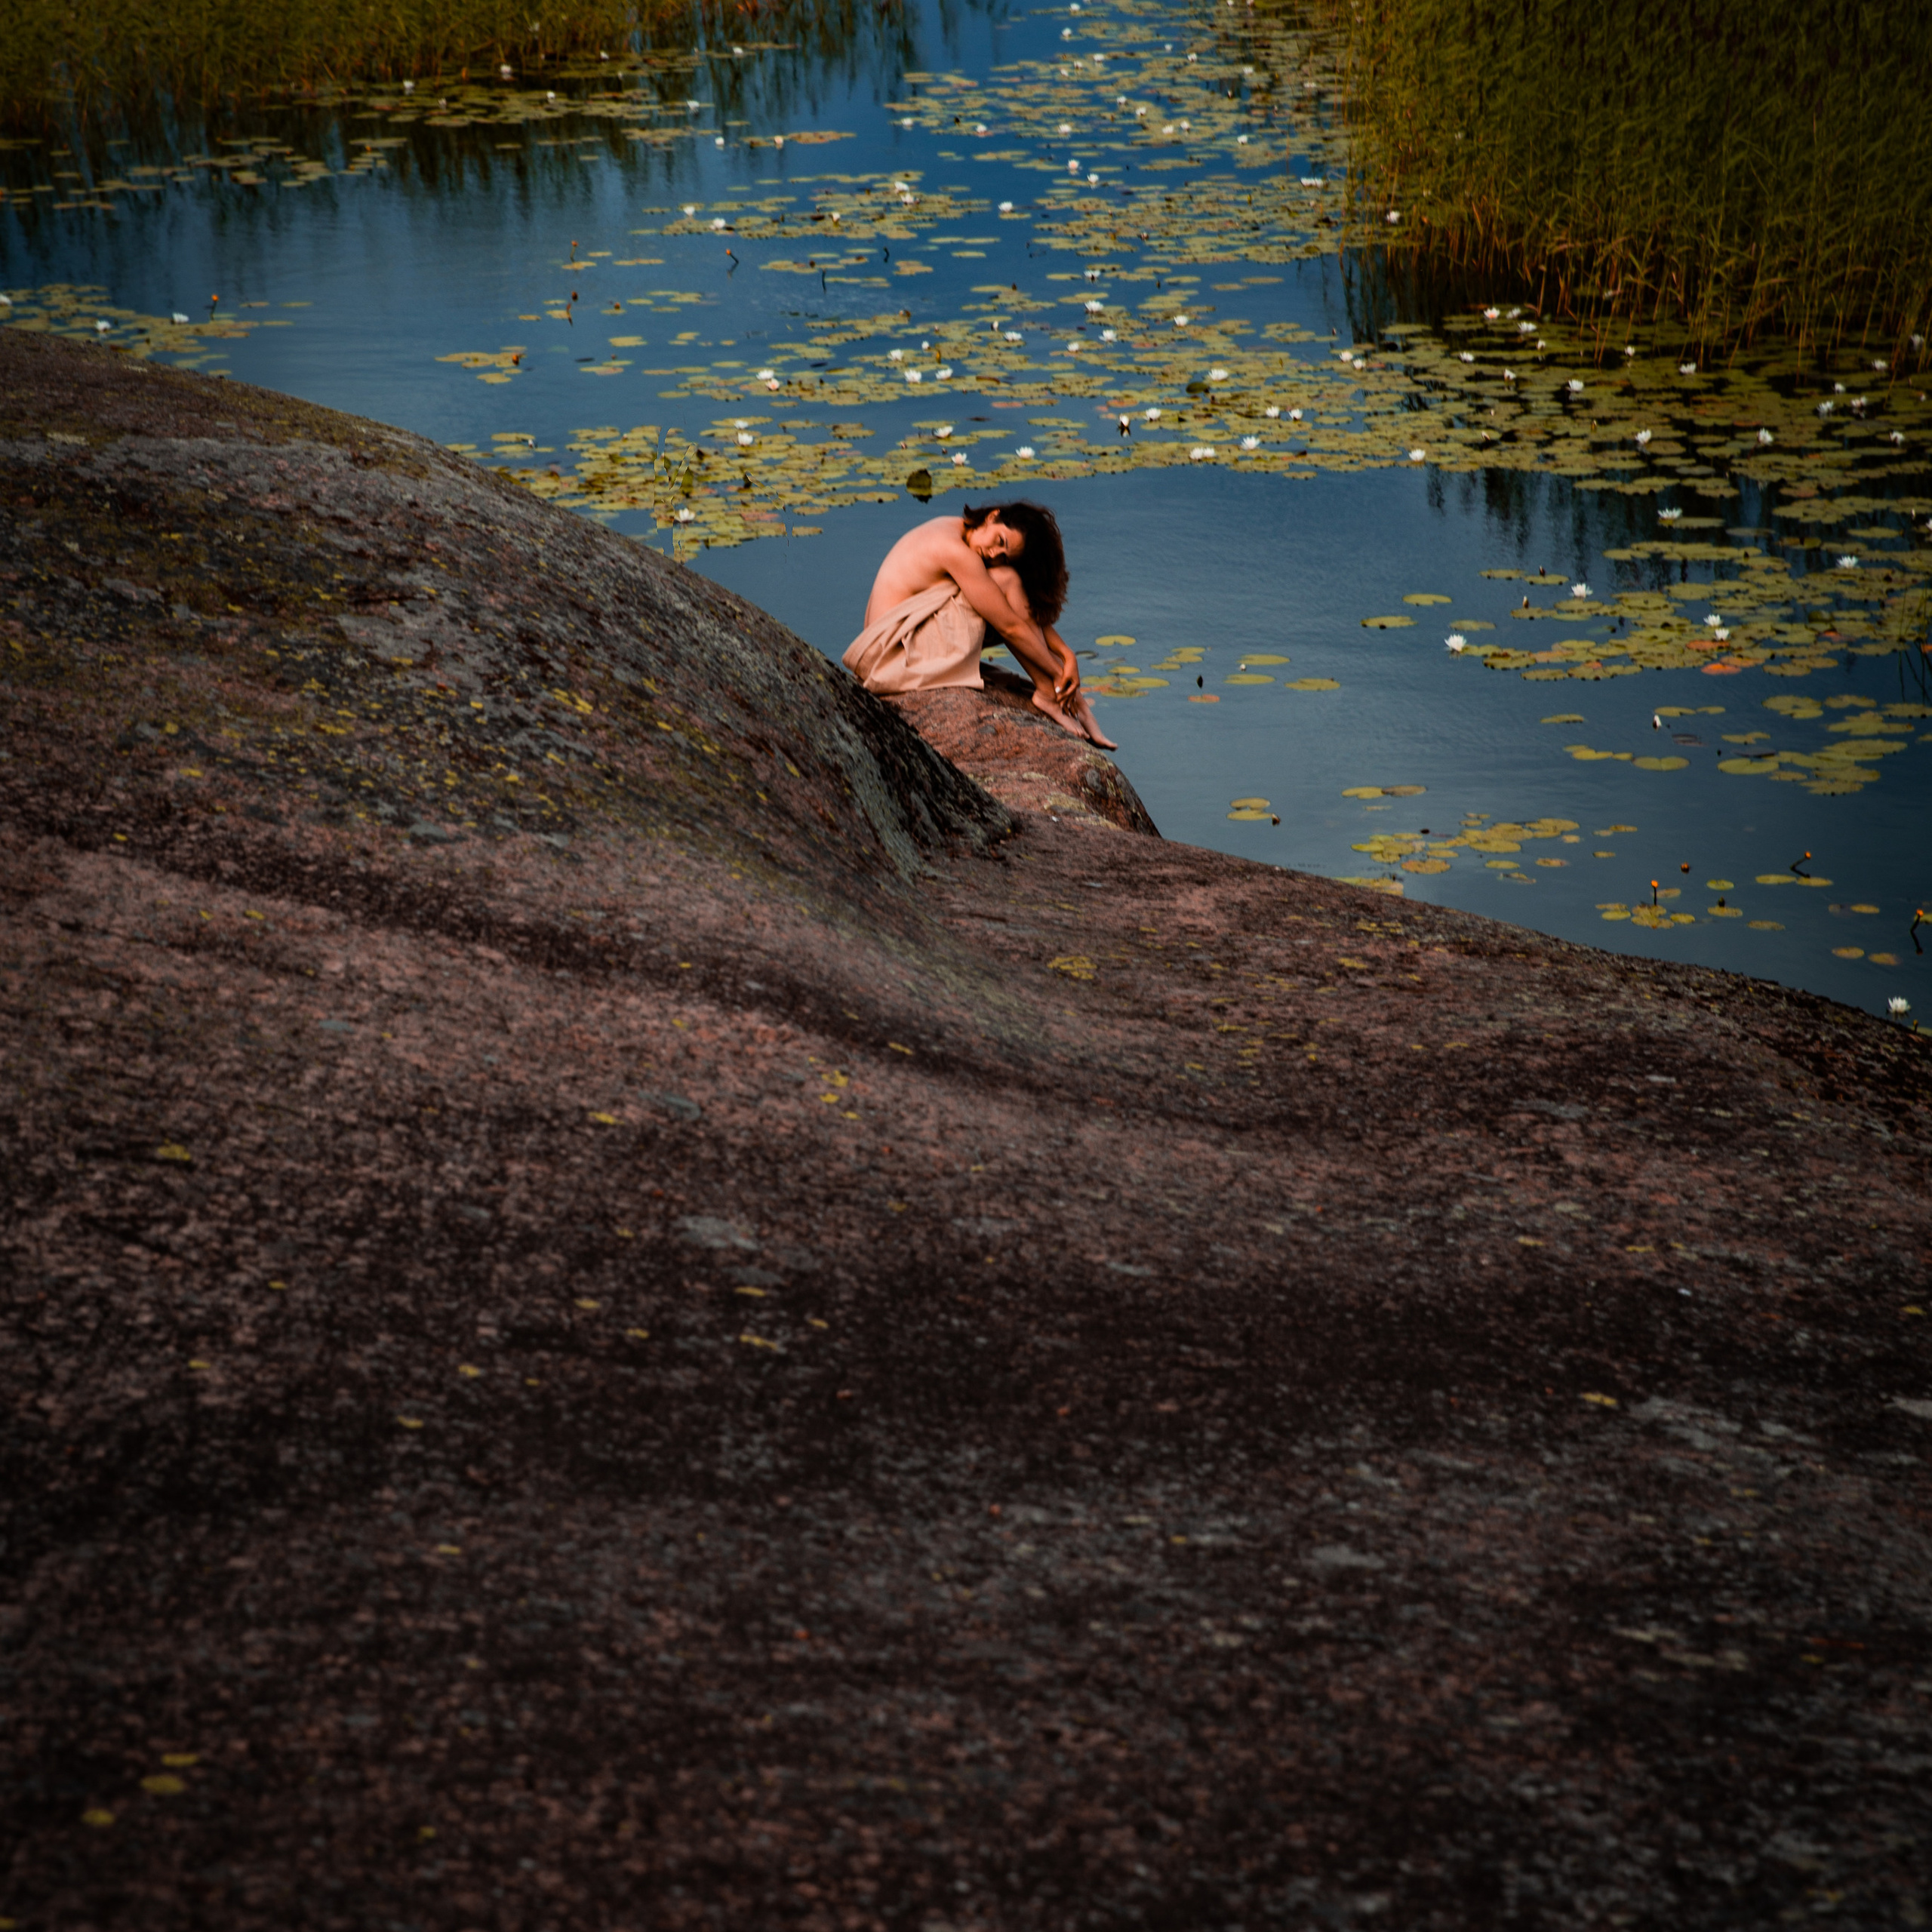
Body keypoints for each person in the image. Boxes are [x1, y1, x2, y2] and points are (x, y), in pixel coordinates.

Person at [843, 501, 1116, 748]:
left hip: (892, 643)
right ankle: (1054, 695)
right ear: (992, 516)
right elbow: (1009, 625)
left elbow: (1015, 612)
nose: (993, 553)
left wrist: (1067, 654)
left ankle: (1052, 694)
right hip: (891, 656)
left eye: (1004, 555)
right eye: (1000, 540)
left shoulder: (957, 529)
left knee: (1005, 581)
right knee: (1007, 580)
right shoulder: (955, 550)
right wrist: (1061, 677)